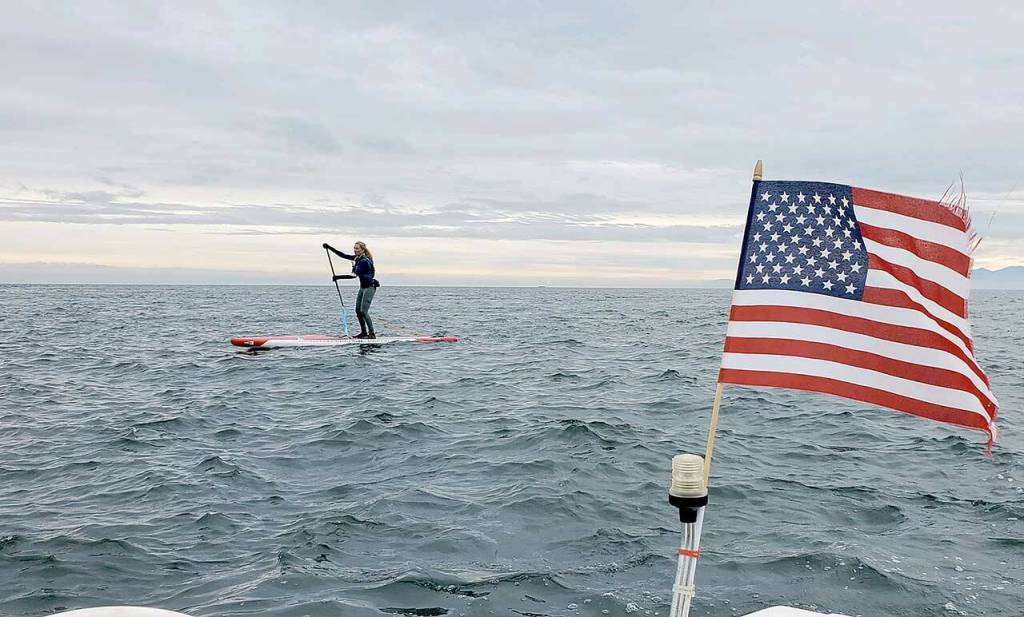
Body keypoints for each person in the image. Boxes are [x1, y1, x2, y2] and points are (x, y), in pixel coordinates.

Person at [322, 241, 379, 339]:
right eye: (354, 248)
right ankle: (364, 333)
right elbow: (343, 255)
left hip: (370, 287)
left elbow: (353, 275)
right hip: (362, 288)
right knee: (358, 311)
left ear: (363, 250)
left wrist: (338, 277)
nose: (355, 250)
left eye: (357, 248)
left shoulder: (364, 261)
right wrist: (329, 247)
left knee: (363, 311)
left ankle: (372, 334)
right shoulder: (357, 258)